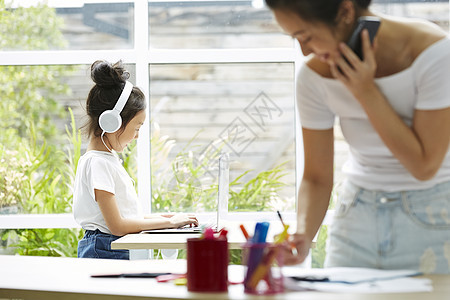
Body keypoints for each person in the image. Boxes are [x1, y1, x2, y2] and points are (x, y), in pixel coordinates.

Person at [265, 0, 450, 273]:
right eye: (295, 39)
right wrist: (304, 234)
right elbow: (316, 176)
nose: (304, 51)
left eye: (307, 36)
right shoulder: (313, 76)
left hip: (433, 214)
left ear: (346, 11)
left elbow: (424, 166)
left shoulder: (434, 53)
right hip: (356, 218)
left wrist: (366, 92)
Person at [73, 60, 199, 259]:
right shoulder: (98, 163)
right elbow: (117, 226)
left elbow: (128, 217)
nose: (137, 136)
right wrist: (169, 223)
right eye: (137, 128)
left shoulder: (106, 159)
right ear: (112, 122)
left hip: (110, 246)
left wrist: (169, 218)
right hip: (106, 250)